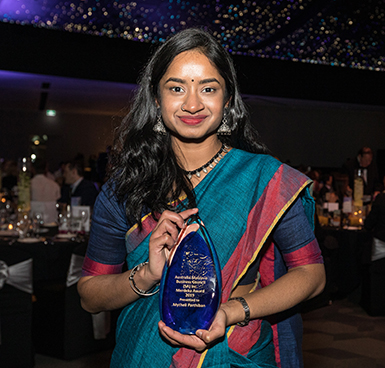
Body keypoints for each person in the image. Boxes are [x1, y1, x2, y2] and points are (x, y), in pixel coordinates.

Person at [77, 28, 325, 368]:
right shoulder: (125, 188)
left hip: (237, 355)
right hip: (143, 356)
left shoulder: (264, 179)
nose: (192, 104)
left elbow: (311, 274)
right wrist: (148, 274)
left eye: (208, 88)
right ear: (155, 98)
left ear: (227, 100)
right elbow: (90, 296)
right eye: (176, 88)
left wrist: (232, 311)